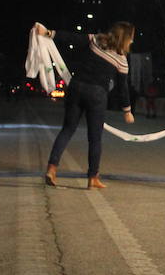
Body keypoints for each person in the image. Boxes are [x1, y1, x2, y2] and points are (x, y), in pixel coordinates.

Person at [39, 20, 135, 190]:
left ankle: (51, 169)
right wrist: (127, 110)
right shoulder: (121, 60)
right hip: (97, 94)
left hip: (76, 87)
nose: (132, 41)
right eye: (131, 38)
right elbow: (123, 88)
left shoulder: (96, 39)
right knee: (95, 138)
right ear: (126, 39)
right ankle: (93, 178)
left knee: (67, 129)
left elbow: (72, 38)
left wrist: (48, 33)